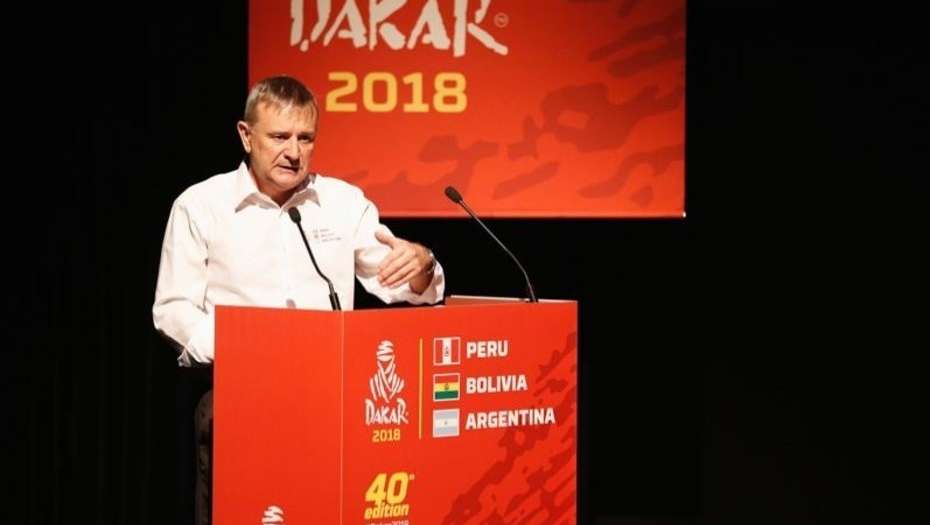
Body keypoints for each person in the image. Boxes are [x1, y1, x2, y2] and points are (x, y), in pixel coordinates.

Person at [152, 75, 444, 525]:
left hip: (332, 400)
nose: (294, 152)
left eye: (305, 138)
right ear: (246, 136)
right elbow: (173, 309)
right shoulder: (201, 205)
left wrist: (421, 264)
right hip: (238, 397)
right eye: (279, 137)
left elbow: (404, 282)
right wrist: (245, 348)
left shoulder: (341, 202)